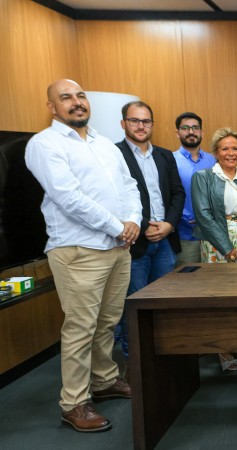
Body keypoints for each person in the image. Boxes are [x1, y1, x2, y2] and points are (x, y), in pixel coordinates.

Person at [25, 79, 142, 432]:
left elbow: (129, 186)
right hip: (78, 249)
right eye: (66, 98)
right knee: (80, 327)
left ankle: (105, 380)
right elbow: (68, 197)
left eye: (80, 96)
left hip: (117, 248)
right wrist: (117, 226)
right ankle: (74, 402)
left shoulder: (103, 143)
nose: (76, 103)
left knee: (107, 322)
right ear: (52, 106)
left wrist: (133, 220)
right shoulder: (43, 144)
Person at [115, 101, 185, 361]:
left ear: (152, 125)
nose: (141, 126)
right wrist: (144, 227)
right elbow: (115, 199)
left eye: (146, 121)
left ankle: (163, 360)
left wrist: (168, 224)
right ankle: (135, 363)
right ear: (124, 124)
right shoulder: (113, 154)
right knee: (134, 305)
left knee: (164, 304)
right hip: (135, 244)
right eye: (135, 120)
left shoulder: (165, 155)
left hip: (165, 241)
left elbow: (177, 193)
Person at [191, 127, 237, 371]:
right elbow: (203, 215)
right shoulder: (203, 177)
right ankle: (223, 349)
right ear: (215, 152)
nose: (230, 153)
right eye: (225, 148)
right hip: (217, 245)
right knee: (220, 299)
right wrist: (227, 248)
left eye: (235, 148)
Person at [173, 112, 216, 266]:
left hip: (213, 236)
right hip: (185, 235)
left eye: (195, 128)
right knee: (187, 282)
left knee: (214, 281)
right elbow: (167, 195)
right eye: (185, 128)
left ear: (202, 132)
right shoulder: (169, 160)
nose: (191, 132)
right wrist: (186, 215)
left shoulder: (214, 160)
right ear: (178, 133)